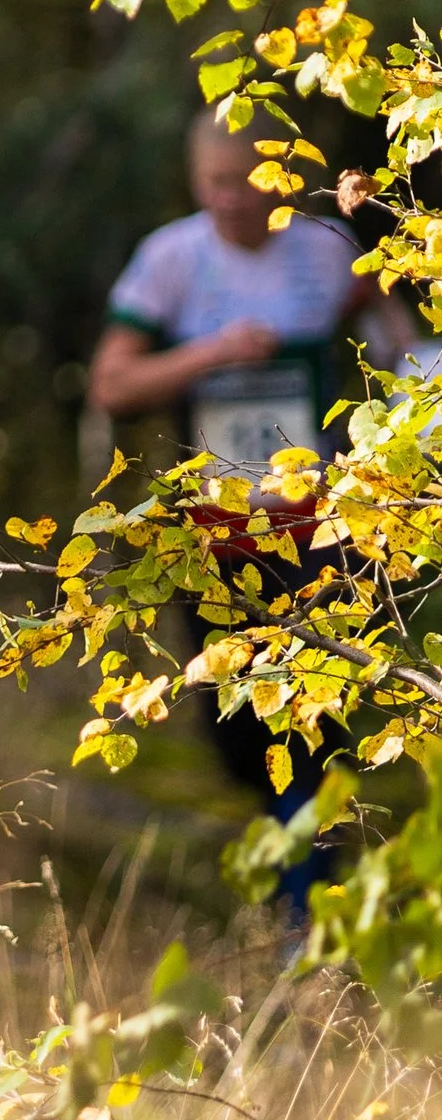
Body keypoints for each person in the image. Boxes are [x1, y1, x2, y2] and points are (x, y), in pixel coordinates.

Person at [90, 109, 376, 829]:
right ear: (195, 179)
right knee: (238, 724)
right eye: (214, 182)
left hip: (319, 526)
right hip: (215, 532)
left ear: (276, 179)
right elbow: (110, 384)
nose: (230, 199)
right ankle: (288, 870)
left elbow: (386, 322)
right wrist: (211, 354)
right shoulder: (171, 258)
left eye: (245, 182)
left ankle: (311, 894)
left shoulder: (324, 249)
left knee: (317, 711)